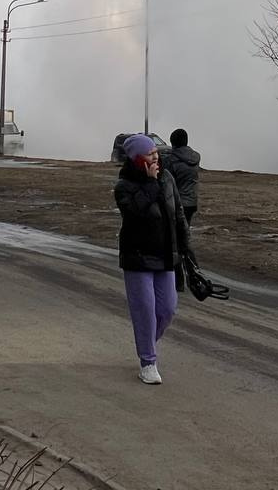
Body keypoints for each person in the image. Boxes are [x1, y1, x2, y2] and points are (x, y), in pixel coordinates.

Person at [113, 133, 192, 385]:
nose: (156, 157)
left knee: (167, 309)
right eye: (150, 154)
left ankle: (146, 341)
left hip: (164, 254)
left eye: (156, 153)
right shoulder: (124, 185)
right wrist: (149, 184)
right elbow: (135, 213)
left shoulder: (167, 178)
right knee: (145, 310)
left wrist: (187, 249)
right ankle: (148, 362)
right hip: (137, 256)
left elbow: (178, 215)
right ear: (137, 159)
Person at [160, 128, 202, 225]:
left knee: (174, 232)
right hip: (192, 202)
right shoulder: (195, 157)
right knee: (185, 229)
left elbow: (165, 182)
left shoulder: (170, 160)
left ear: (173, 143)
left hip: (176, 202)